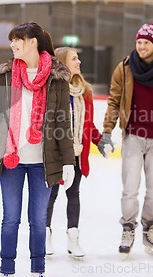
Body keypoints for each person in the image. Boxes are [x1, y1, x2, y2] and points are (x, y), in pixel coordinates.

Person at [0, 22, 76, 277]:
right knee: (10, 219)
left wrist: (68, 161)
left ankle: (37, 270)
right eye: (12, 40)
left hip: (44, 160)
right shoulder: (7, 75)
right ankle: (7, 269)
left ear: (33, 42)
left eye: (17, 39)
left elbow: (63, 120)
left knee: (38, 221)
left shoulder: (56, 77)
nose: (12, 44)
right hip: (11, 160)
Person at [100, 23, 153, 257]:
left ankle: (149, 231)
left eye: (146, 43)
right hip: (133, 138)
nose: (141, 46)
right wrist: (107, 131)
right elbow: (114, 101)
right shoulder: (124, 68)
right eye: (139, 42)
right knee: (130, 189)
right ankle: (128, 230)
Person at [45, 47, 107, 258]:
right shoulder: (52, 90)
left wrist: (100, 142)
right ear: (63, 63)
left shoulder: (85, 92)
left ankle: (73, 237)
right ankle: (44, 234)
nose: (79, 62)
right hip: (56, 154)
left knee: (73, 194)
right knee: (50, 195)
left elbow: (89, 125)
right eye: (74, 58)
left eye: (78, 57)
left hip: (78, 153)